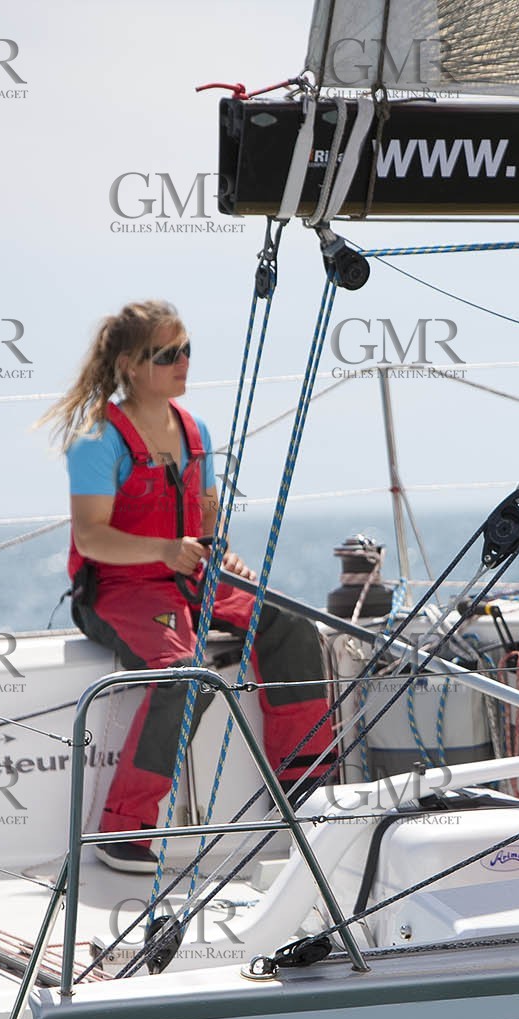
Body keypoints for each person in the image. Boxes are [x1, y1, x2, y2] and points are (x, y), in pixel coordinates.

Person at [39, 300, 336, 874]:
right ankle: (122, 831)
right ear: (128, 364)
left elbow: (205, 519)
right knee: (183, 676)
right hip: (122, 589)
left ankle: (306, 789)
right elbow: (94, 539)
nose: (183, 363)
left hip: (194, 577)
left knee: (291, 625)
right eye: (168, 354)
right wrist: (164, 551)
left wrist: (230, 558)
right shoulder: (98, 439)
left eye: (186, 350)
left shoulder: (194, 428)